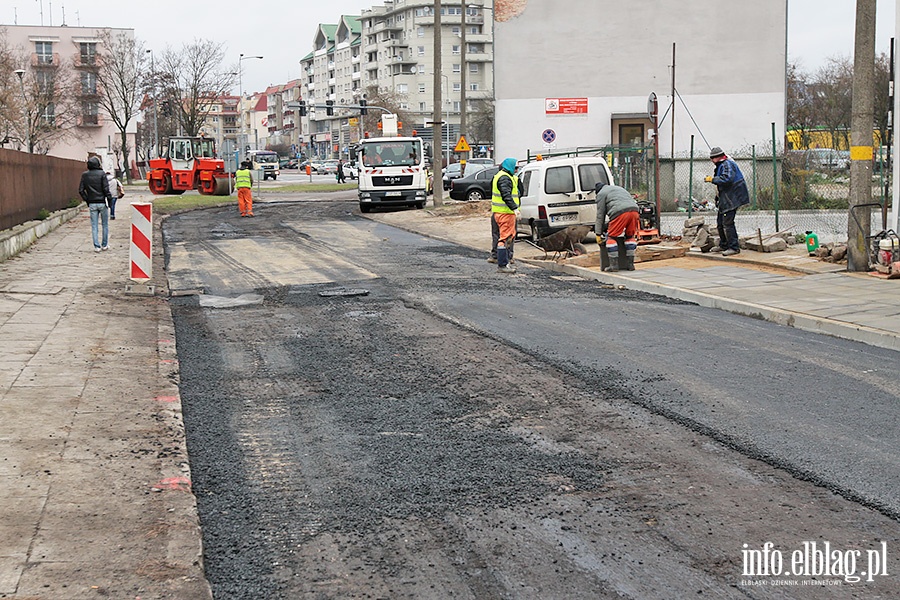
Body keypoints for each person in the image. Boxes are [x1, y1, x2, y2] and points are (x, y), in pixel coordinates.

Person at [704, 146, 750, 256]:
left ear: (717, 157)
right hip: (727, 198)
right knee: (720, 223)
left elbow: (727, 179)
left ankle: (734, 247)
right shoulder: (723, 164)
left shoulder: (727, 164)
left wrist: (712, 179)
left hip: (732, 198)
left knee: (728, 223)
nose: (711, 161)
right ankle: (723, 245)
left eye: (712, 158)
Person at [594, 182, 640, 272]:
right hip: (635, 211)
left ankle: (613, 266)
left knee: (611, 237)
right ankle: (630, 265)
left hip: (619, 212)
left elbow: (600, 215)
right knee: (630, 236)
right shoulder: (619, 188)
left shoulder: (601, 194)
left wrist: (598, 233)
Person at [490, 158, 520, 274]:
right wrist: (514, 208)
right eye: (515, 167)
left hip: (499, 212)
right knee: (505, 239)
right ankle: (503, 265)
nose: (516, 170)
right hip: (505, 213)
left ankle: (504, 263)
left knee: (505, 238)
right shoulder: (505, 178)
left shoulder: (500, 176)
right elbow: (506, 195)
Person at [78, 156, 113, 252]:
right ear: (98, 164)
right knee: (105, 224)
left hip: (92, 203)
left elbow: (81, 190)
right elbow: (106, 189)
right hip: (102, 202)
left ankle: (96, 246)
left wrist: (88, 200)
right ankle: (104, 245)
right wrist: (110, 202)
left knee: (94, 225)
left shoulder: (85, 175)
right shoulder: (102, 174)